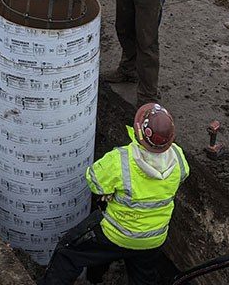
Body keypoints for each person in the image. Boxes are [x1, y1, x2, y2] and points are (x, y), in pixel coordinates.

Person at [40, 104, 189, 285]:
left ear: (138, 132)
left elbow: (94, 182)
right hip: (153, 239)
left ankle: (91, 278)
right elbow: (181, 176)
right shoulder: (179, 157)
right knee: (144, 278)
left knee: (68, 253)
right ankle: (98, 277)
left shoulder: (120, 159)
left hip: (116, 234)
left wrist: (110, 192)